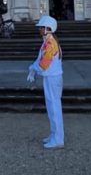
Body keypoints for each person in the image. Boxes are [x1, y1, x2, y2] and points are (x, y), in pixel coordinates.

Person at [27, 15, 64, 149]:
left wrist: (33, 69)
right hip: (50, 77)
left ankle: (58, 139)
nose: (39, 29)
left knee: (54, 108)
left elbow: (44, 64)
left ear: (48, 28)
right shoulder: (48, 41)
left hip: (52, 77)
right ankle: (54, 134)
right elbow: (40, 59)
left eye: (41, 27)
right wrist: (33, 67)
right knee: (51, 107)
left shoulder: (50, 43)